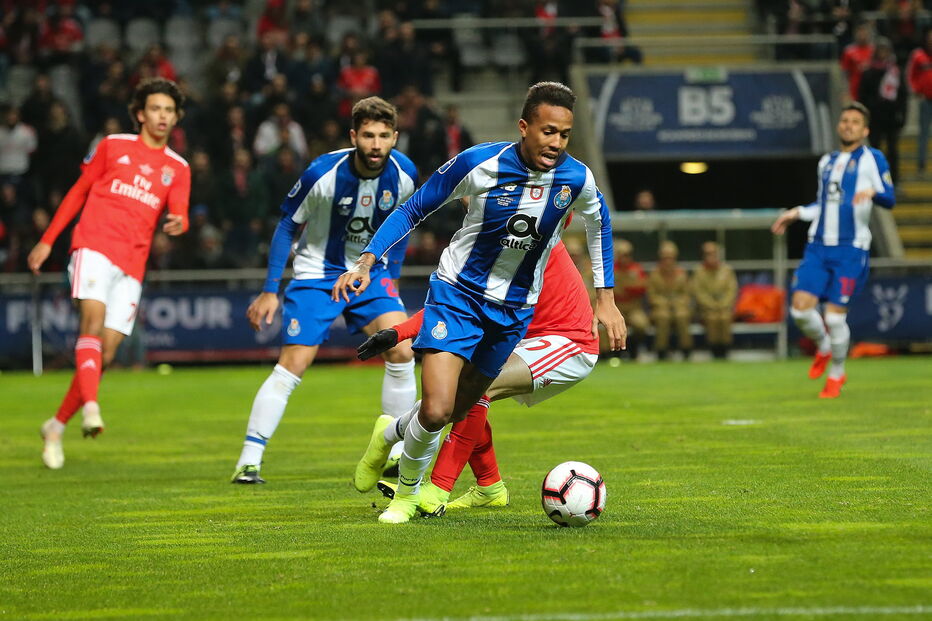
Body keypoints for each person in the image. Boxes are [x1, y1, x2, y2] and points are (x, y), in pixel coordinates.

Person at [333, 81, 626, 524]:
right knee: (435, 407)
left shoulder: (575, 178)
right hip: (458, 295)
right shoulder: (480, 163)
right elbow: (414, 208)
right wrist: (368, 260)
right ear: (524, 127)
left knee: (457, 408)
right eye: (548, 132)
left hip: (513, 315)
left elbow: (600, 222)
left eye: (565, 135)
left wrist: (605, 299)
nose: (556, 144)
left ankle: (395, 440)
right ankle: (409, 496)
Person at [230, 96, 419, 484]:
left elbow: (403, 224)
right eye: (368, 135)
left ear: (395, 137)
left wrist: (392, 273)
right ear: (354, 136)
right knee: (294, 364)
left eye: (384, 136)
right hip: (318, 273)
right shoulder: (323, 172)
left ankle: (395, 455)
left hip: (370, 274)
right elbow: (286, 225)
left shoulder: (404, 174)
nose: (376, 144)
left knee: (402, 349)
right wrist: (270, 289)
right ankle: (249, 460)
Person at [357, 239, 600, 513]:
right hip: (523, 337)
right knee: (461, 389)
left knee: (478, 388)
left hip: (569, 342)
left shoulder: (528, 235)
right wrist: (399, 332)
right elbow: (452, 307)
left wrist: (607, 297)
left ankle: (436, 488)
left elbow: (583, 207)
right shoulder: (489, 239)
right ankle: (489, 486)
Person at [28, 77, 191, 469]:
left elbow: (180, 212)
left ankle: (55, 425)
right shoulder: (113, 146)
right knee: (92, 322)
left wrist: (179, 223)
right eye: (155, 108)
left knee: (110, 349)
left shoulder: (178, 167)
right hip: (94, 246)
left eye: (169, 110)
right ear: (140, 114)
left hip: (133, 263)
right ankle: (92, 409)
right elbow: (78, 191)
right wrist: (48, 239)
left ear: (176, 117)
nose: (162, 116)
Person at [771, 102, 895, 399]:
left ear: (864, 130)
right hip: (818, 247)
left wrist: (873, 192)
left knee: (836, 317)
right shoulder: (826, 162)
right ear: (839, 126)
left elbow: (890, 198)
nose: (848, 125)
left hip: (851, 250)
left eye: (855, 122)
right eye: (845, 121)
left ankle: (837, 373)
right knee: (800, 310)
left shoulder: (872, 158)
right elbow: (823, 205)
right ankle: (825, 345)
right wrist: (797, 213)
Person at [857, 37, 907, 183]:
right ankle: (875, 180)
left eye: (886, 50)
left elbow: (903, 96)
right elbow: (863, 96)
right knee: (874, 150)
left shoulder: (896, 72)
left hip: (891, 118)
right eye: (880, 50)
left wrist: (902, 115)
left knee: (892, 151)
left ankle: (894, 181)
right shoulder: (869, 72)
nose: (883, 53)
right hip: (875, 118)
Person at [690, 241, 738, 360]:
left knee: (725, 317)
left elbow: (732, 290)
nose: (711, 256)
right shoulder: (698, 271)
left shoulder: (727, 270)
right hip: (705, 309)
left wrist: (723, 304)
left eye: (714, 253)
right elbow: (698, 292)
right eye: (708, 254)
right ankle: (714, 351)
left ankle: (725, 351)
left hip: (724, 307)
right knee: (712, 318)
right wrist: (711, 304)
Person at [648, 240, 692, 360]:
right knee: (663, 317)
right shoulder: (654, 274)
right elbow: (652, 295)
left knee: (682, 315)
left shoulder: (682, 274)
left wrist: (677, 303)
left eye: (670, 257)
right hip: (660, 308)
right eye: (665, 257)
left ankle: (686, 350)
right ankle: (661, 351)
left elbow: (687, 294)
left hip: (679, 307)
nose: (668, 261)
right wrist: (664, 303)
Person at [906, 30, 932, 175]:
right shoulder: (918, 55)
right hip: (926, 100)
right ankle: (921, 164)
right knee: (923, 133)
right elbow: (910, 75)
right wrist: (916, 91)